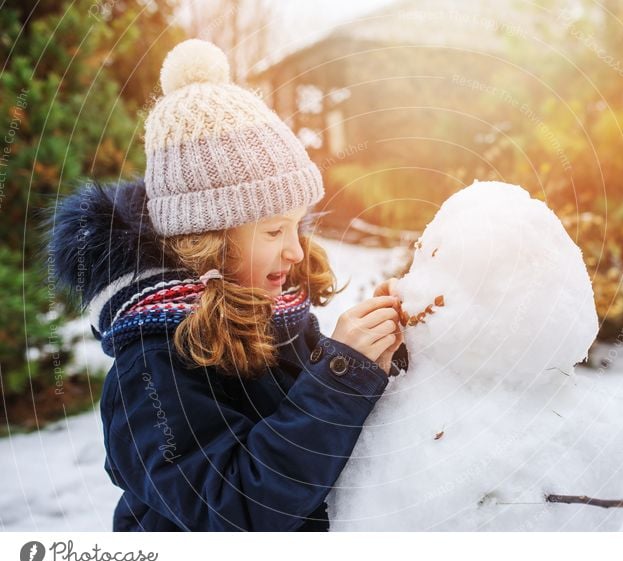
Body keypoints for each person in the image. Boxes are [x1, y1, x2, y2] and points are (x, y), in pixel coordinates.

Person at [45, 39, 408, 531]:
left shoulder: (271, 309)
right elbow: (233, 507)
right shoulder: (155, 364)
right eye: (274, 230)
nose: (296, 252)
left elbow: (310, 420)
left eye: (298, 226)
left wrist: (377, 356)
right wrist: (340, 376)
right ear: (208, 241)